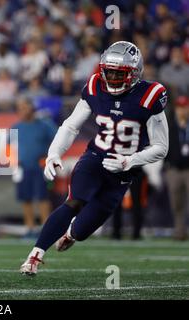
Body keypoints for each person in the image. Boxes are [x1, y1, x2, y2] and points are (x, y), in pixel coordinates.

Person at [20, 41, 169, 275]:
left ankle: (71, 233)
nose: (111, 78)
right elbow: (70, 126)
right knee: (74, 201)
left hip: (123, 171)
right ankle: (35, 255)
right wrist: (54, 153)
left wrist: (129, 161)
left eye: (118, 74)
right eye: (107, 72)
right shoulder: (95, 86)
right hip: (95, 157)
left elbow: (161, 147)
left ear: (134, 73)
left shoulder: (150, 95)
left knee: (83, 230)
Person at [12, 97, 57, 238]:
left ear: (32, 108)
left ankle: (45, 228)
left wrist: (50, 158)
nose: (22, 110)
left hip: (41, 166)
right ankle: (30, 228)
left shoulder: (44, 124)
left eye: (25, 107)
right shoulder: (16, 127)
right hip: (23, 167)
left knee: (42, 197)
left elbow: (58, 140)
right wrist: (14, 163)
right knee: (26, 198)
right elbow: (10, 147)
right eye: (20, 108)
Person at [164, 95, 189, 240]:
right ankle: (180, 232)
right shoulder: (170, 126)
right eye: (180, 108)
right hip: (174, 169)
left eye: (184, 107)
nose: (182, 111)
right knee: (176, 204)